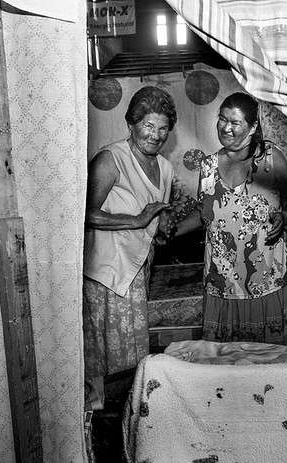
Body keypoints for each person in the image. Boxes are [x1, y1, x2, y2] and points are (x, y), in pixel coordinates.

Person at [176, 92, 287, 345]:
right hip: (221, 280)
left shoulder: (270, 158)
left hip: (264, 279)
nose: (225, 127)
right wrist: (170, 230)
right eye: (222, 119)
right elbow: (205, 214)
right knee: (224, 364)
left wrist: (284, 216)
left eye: (235, 122)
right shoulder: (209, 165)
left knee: (265, 359)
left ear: (253, 126)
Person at [82, 86, 177, 409]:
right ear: (131, 124)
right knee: (101, 354)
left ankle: (129, 413)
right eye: (148, 126)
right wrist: (137, 220)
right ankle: (96, 419)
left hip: (138, 270)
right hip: (107, 271)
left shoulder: (165, 168)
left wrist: (159, 227)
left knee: (133, 354)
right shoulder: (111, 159)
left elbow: (154, 216)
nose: (156, 135)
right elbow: (84, 215)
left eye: (163, 128)